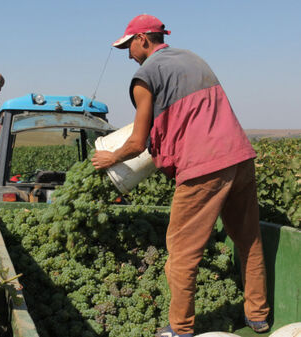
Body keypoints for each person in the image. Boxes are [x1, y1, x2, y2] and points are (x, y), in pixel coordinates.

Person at [91, 14, 270, 337]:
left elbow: (136, 142)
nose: (128, 55)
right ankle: (257, 317)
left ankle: (180, 328)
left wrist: (110, 158)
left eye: (128, 46)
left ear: (143, 39)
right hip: (240, 157)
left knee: (182, 253)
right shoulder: (193, 59)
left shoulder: (145, 76)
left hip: (203, 167)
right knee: (249, 241)